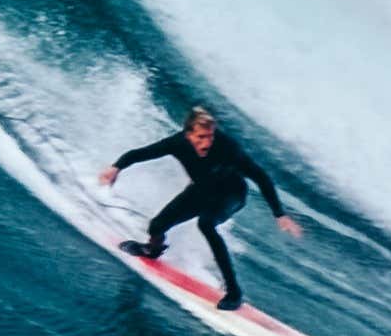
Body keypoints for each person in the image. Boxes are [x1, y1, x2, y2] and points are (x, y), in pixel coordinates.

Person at [98, 105, 298, 312]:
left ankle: (234, 292)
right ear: (188, 134)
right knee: (156, 226)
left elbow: (260, 176)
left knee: (206, 224)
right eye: (201, 137)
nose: (206, 143)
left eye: (210, 137)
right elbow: (140, 153)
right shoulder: (177, 143)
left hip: (231, 193)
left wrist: (279, 214)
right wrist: (116, 168)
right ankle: (153, 249)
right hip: (201, 191)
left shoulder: (228, 147)